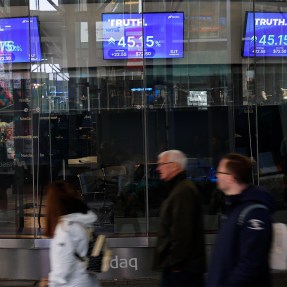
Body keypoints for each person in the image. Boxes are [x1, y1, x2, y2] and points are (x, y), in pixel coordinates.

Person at [207, 153, 273, 287]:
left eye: (220, 172)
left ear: (231, 178)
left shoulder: (254, 213)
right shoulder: (233, 208)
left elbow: (250, 264)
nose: (216, 176)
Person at [153, 150, 206, 287]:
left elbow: (182, 232)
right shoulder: (177, 189)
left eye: (162, 164)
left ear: (175, 166)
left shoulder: (183, 191)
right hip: (178, 267)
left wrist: (176, 264)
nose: (158, 168)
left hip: (182, 270)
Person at [45, 180, 101, 287]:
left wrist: (52, 282)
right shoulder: (83, 222)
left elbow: (62, 269)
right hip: (89, 281)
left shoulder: (65, 229)